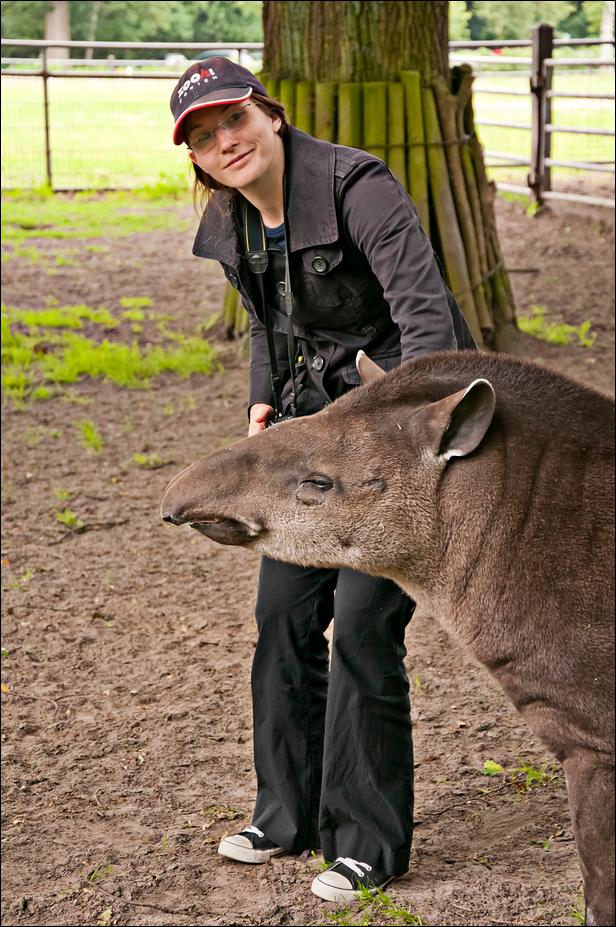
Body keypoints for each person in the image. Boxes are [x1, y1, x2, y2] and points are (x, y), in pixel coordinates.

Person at [170, 57, 476, 905]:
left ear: (267, 114)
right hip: (310, 447)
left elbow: (427, 316)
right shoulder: (232, 220)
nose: (223, 141)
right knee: (279, 616)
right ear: (194, 157)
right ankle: (285, 813)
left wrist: (416, 441)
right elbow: (271, 323)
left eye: (232, 120)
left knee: (362, 624)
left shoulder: (357, 185)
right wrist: (263, 401)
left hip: (393, 443)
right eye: (202, 136)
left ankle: (367, 843)